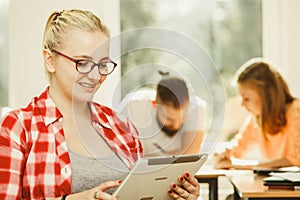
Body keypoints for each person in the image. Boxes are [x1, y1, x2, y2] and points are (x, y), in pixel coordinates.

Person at [0, 9, 200, 200]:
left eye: (103, 64)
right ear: (50, 60)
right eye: (83, 63)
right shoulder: (18, 128)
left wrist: (174, 196)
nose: (96, 76)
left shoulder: (122, 127)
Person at [215, 58, 300, 169]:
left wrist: (241, 165)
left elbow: (295, 160)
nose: (242, 104)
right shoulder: (256, 118)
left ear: (267, 95)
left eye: (246, 98)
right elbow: (237, 148)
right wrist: (224, 154)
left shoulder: (296, 111)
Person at [120, 71, 207, 157]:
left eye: (183, 117)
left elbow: (190, 155)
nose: (176, 125)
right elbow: (121, 154)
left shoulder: (196, 108)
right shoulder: (133, 106)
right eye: (169, 119)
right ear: (154, 104)